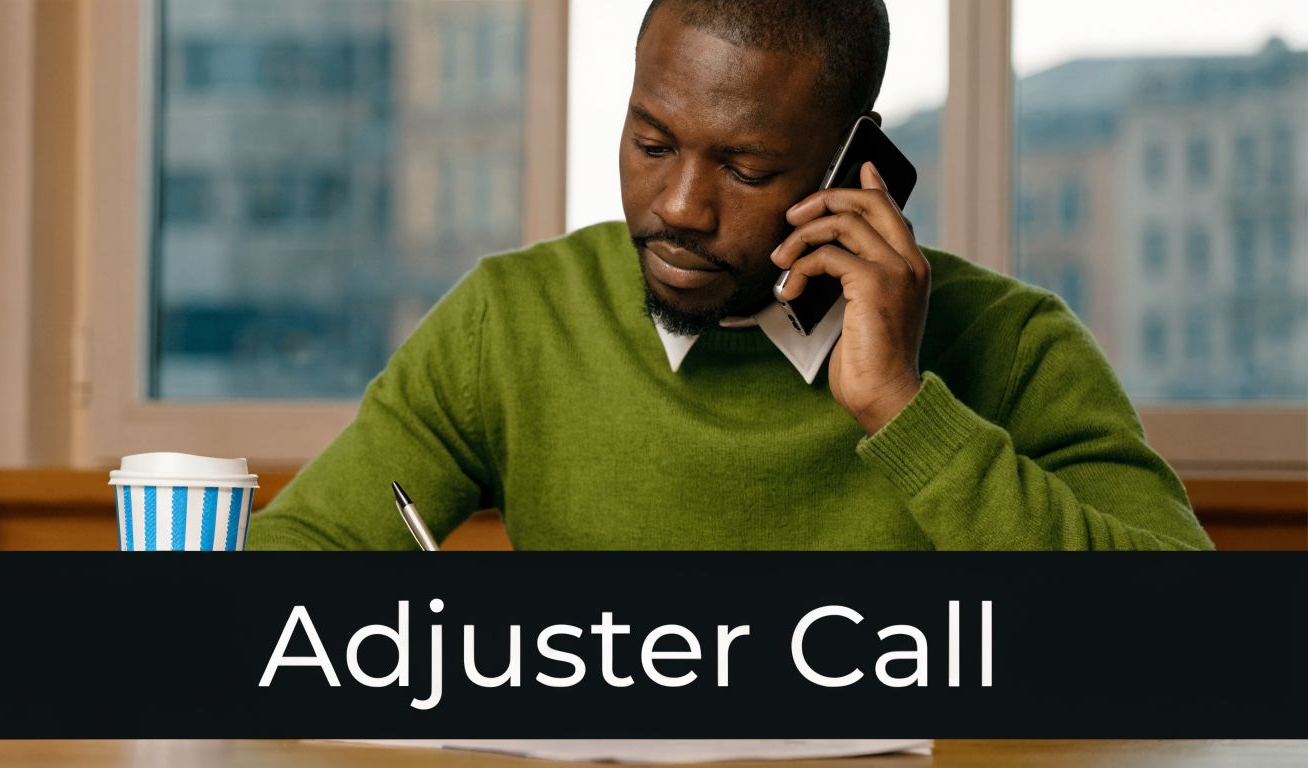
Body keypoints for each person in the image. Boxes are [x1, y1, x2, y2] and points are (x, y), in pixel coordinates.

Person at [247, 0, 1213, 551]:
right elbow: (291, 570)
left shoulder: (1014, 343)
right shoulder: (514, 320)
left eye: (745, 169)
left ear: (852, 167)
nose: (677, 206)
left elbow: (1189, 640)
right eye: (651, 143)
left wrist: (904, 411)